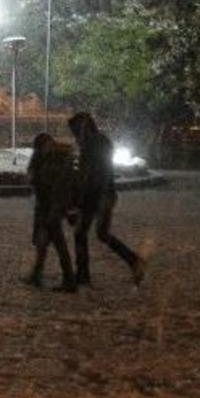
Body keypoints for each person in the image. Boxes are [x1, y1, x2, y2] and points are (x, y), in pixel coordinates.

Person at [67, 112, 147, 287]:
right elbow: (101, 170)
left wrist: (78, 200)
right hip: (105, 193)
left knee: (81, 234)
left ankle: (83, 275)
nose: (74, 135)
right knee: (101, 234)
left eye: (74, 131)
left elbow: (88, 174)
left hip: (95, 195)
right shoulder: (102, 141)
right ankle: (134, 261)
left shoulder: (90, 144)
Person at [22, 132, 79, 292]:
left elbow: (61, 186)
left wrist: (62, 207)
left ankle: (69, 279)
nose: (42, 149)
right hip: (44, 205)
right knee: (42, 241)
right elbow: (37, 178)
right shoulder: (43, 158)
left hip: (53, 206)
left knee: (58, 242)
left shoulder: (59, 159)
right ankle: (37, 273)